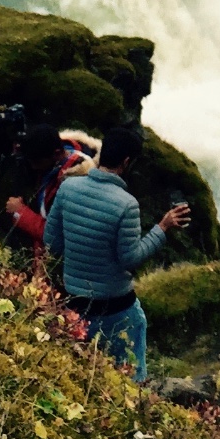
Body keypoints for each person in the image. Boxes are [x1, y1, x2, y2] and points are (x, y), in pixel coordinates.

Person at [43, 123, 189, 381]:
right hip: (116, 310)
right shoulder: (126, 205)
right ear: (127, 162)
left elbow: (52, 243)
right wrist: (162, 228)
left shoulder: (68, 188)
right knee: (130, 380)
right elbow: (130, 258)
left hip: (75, 306)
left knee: (87, 379)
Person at [3, 125, 96, 267]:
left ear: (57, 153)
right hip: (43, 257)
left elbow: (57, 236)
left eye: (37, 162)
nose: (33, 167)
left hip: (62, 265)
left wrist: (20, 213)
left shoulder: (78, 180)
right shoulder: (52, 162)